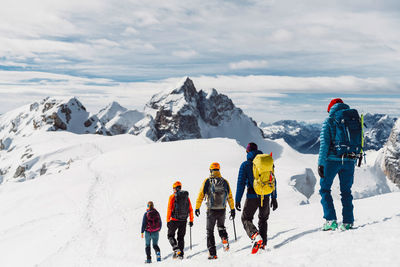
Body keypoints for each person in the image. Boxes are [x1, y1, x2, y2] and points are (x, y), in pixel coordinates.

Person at [318, 98, 358, 231]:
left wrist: (321, 164)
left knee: (325, 189)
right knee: (346, 191)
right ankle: (348, 222)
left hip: (332, 161)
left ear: (330, 108)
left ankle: (331, 220)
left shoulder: (329, 120)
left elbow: (324, 145)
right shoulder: (352, 119)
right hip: (350, 160)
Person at [235, 142, 278, 252]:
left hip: (252, 196)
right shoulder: (267, 163)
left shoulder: (245, 165)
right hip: (266, 195)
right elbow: (273, 180)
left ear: (248, 151)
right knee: (263, 220)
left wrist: (237, 200)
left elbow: (241, 183)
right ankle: (262, 244)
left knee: (246, 218)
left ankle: (255, 235)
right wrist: (274, 197)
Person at [195, 162, 235, 260]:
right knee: (221, 227)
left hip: (211, 210)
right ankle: (224, 238)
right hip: (222, 209)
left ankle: (212, 253)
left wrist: (197, 207)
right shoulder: (224, 181)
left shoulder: (207, 181)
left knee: (210, 231)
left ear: (210, 170)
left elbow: (201, 195)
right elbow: (229, 196)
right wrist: (232, 209)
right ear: (219, 170)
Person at [166, 181, 194, 259]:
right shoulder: (186, 197)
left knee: (170, 235)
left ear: (175, 188)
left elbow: (169, 209)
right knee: (181, 238)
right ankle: (180, 254)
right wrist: (191, 220)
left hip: (174, 220)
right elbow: (190, 209)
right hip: (184, 220)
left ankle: (175, 248)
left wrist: (168, 220)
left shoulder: (172, 196)